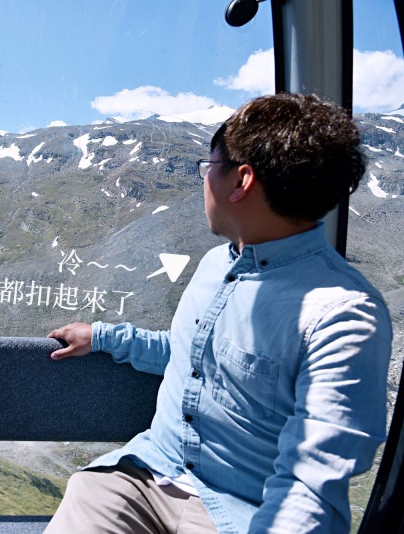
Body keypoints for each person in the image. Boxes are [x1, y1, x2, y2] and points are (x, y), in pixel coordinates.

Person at [45, 93, 393, 534]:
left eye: (208, 168)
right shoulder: (215, 264)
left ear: (240, 181)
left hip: (241, 512)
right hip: (146, 473)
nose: (202, 182)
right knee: (88, 493)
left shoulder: (344, 316)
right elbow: (193, 354)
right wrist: (104, 337)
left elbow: (310, 490)